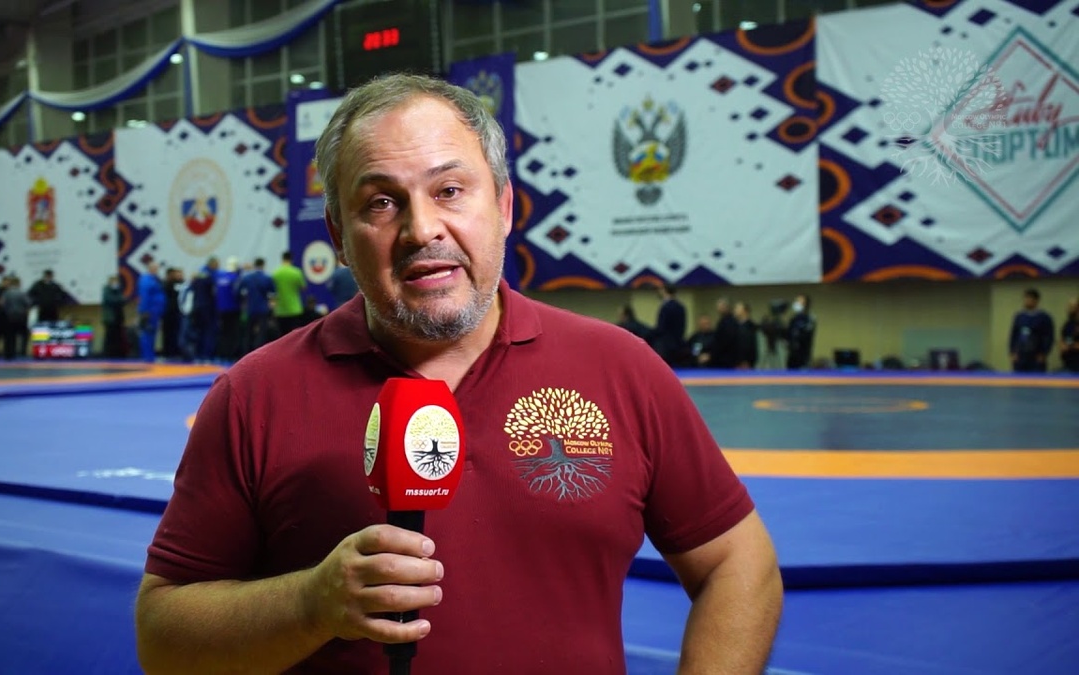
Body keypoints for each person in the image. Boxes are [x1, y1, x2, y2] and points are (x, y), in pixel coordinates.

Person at [134, 74, 782, 675]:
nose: (422, 229)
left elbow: (738, 562)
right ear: (337, 233)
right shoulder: (255, 396)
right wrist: (311, 603)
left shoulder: (621, 369)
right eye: (381, 202)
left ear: (503, 205)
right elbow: (162, 639)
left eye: (449, 191)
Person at [1009, 288, 1054, 373]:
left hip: (1036, 356)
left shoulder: (1044, 317)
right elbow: (1013, 335)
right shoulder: (1019, 317)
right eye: (1025, 298)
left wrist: (1043, 353)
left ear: (1036, 300)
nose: (1027, 301)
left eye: (1029, 299)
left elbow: (1048, 337)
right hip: (1021, 355)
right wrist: (1013, 352)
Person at [272, 251, 308, 338]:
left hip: (280, 310)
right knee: (294, 336)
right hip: (294, 309)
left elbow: (273, 290)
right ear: (291, 259)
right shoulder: (296, 272)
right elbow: (303, 288)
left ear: (282, 259)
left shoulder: (275, 273)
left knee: (282, 337)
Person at [137, 262, 166, 362]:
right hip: (149, 311)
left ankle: (151, 356)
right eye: (155, 268)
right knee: (147, 332)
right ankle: (147, 356)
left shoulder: (155, 279)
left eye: (157, 268)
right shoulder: (146, 280)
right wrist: (144, 311)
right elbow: (144, 296)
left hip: (156, 310)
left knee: (153, 333)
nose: (156, 270)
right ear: (150, 268)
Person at [786, 294, 815, 370]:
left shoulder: (809, 318)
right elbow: (788, 334)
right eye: (796, 301)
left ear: (805, 304)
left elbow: (805, 335)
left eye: (799, 301)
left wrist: (796, 336)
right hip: (792, 353)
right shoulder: (794, 318)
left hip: (803, 354)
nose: (797, 303)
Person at [101, 274, 127, 358]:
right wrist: (120, 300)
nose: (115, 283)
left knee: (119, 337)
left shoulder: (118, 291)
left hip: (118, 317)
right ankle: (108, 354)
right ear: (110, 282)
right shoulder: (106, 290)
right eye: (114, 281)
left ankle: (118, 353)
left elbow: (123, 300)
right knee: (109, 336)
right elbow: (111, 300)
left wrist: (120, 299)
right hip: (110, 318)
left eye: (116, 281)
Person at [1061, 296, 1079, 374]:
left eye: (1073, 306)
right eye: (1069, 306)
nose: (1070, 309)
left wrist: (1073, 345)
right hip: (1069, 361)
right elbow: (1063, 337)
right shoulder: (1068, 324)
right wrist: (1062, 345)